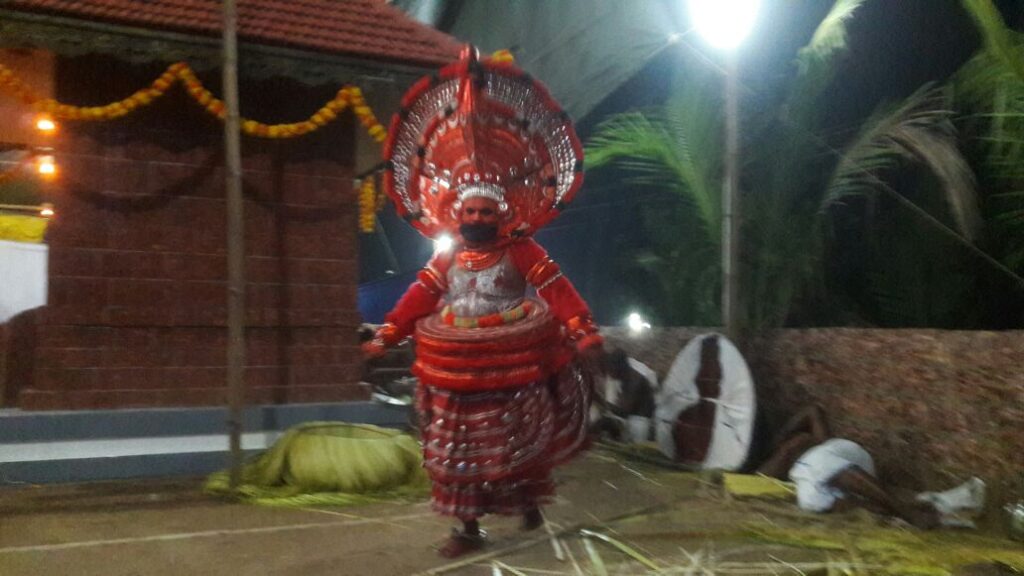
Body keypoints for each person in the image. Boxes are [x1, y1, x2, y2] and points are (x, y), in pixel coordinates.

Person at [362, 46, 603, 558]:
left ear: (499, 214)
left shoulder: (521, 249)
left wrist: (583, 329)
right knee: (456, 452)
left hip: (514, 367)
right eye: (468, 209)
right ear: (457, 213)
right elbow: (418, 296)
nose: (476, 216)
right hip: (455, 370)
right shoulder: (448, 258)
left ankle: (528, 502)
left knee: (515, 445)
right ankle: (468, 528)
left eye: (484, 210)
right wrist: (386, 336)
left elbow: (557, 290)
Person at [757, 405, 940, 529]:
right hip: (827, 472)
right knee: (840, 482)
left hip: (847, 459)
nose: (798, 440)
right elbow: (852, 501)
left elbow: (813, 411)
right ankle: (906, 511)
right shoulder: (807, 477)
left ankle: (905, 509)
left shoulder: (823, 446)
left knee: (833, 469)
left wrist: (780, 438)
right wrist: (903, 510)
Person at [592, 349, 657, 443]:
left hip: (639, 424)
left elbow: (624, 411)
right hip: (629, 420)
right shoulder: (625, 378)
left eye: (610, 368)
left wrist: (599, 400)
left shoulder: (635, 381)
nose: (609, 372)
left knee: (604, 423)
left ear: (619, 367)